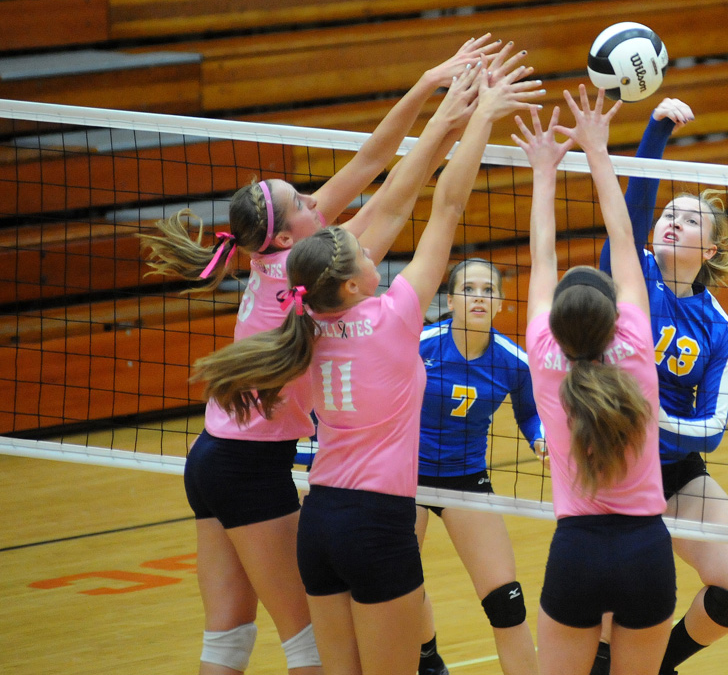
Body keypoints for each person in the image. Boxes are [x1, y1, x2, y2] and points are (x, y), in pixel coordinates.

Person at [138, 35, 503, 675]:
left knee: (225, 637)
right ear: (286, 233)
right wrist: (452, 117)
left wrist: (429, 84)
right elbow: (405, 194)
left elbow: (370, 161)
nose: (318, 200)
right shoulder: (307, 281)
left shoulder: (282, 255)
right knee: (306, 641)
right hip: (253, 472)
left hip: (213, 459)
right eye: (305, 201)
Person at [594, 97, 728, 675]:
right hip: (613, 466)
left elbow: (712, 429)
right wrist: (656, 130)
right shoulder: (631, 269)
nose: (673, 220)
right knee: (607, 622)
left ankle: (658, 667)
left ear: (710, 250)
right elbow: (634, 205)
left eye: (691, 220)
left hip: (672, 468)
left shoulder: (718, 327)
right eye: (671, 212)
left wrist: (655, 419)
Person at [513, 85, 676, 675]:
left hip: (576, 552)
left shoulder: (541, 354)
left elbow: (541, 257)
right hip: (647, 553)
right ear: (615, 315)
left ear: (555, 322)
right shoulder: (635, 347)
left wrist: (543, 170)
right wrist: (599, 153)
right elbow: (625, 239)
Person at [416, 257, 545, 675]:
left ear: (501, 302)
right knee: (398, 589)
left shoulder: (514, 362)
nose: (478, 296)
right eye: (468, 289)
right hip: (404, 478)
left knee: (506, 600)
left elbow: (530, 413)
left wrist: (540, 436)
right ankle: (427, 659)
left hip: (465, 479)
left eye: (488, 289)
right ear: (450, 300)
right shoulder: (418, 344)